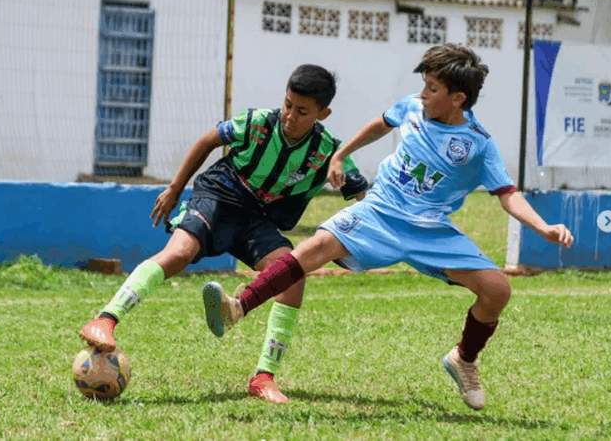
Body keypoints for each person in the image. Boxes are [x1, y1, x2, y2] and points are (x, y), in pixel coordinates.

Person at [202, 43, 575, 410]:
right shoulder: (411, 106)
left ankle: (463, 359)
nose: (422, 94)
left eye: (432, 89)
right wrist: (341, 154)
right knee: (313, 248)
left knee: (497, 290)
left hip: (429, 229)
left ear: (458, 98)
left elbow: (507, 193)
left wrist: (543, 227)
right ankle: (237, 308)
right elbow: (381, 124)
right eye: (424, 85)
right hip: (378, 212)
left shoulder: (478, 145)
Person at [79, 64, 369, 401]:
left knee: (292, 275)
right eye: (288, 104)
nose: (290, 116)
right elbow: (207, 141)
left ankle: (264, 377)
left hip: (257, 219)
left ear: (323, 113)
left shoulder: (328, 152)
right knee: (179, 253)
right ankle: (105, 320)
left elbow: (364, 198)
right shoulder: (258, 122)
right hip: (218, 196)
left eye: (302, 111)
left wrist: (363, 238)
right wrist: (175, 189)